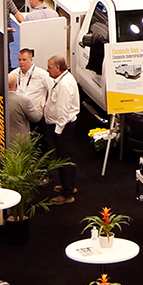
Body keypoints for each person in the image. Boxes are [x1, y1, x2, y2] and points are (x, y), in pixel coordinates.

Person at [44, 56, 80, 202]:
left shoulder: (64, 85)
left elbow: (63, 111)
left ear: (57, 68)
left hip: (63, 128)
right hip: (63, 127)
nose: (47, 70)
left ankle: (67, 194)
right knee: (65, 156)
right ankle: (68, 184)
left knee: (64, 158)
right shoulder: (63, 79)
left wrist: (57, 131)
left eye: (49, 67)